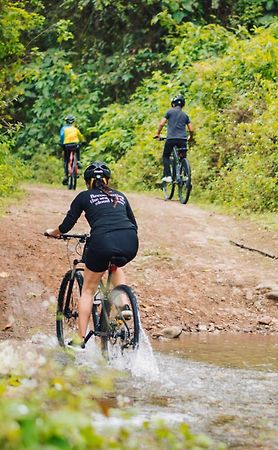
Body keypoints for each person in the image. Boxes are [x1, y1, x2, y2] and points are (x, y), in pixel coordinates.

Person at [45, 161, 139, 349]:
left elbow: (66, 225)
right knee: (115, 265)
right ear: (108, 180)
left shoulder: (84, 196)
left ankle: (80, 338)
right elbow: (133, 223)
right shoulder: (120, 196)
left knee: (88, 290)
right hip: (130, 240)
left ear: (87, 182)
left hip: (102, 241)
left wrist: (55, 232)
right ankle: (124, 305)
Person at [154, 95, 194, 183]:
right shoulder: (185, 115)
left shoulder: (169, 112)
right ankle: (184, 175)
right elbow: (191, 129)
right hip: (183, 140)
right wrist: (190, 137)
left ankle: (168, 175)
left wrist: (158, 134)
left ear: (173, 104)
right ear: (183, 105)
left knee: (166, 156)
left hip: (171, 139)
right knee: (182, 157)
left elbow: (161, 124)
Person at [60, 115, 85, 185]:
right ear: (73, 122)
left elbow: (62, 137)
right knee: (78, 150)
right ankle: (78, 161)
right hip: (75, 145)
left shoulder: (63, 129)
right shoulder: (75, 129)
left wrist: (62, 143)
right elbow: (81, 137)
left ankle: (66, 175)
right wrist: (82, 142)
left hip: (66, 145)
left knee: (66, 160)